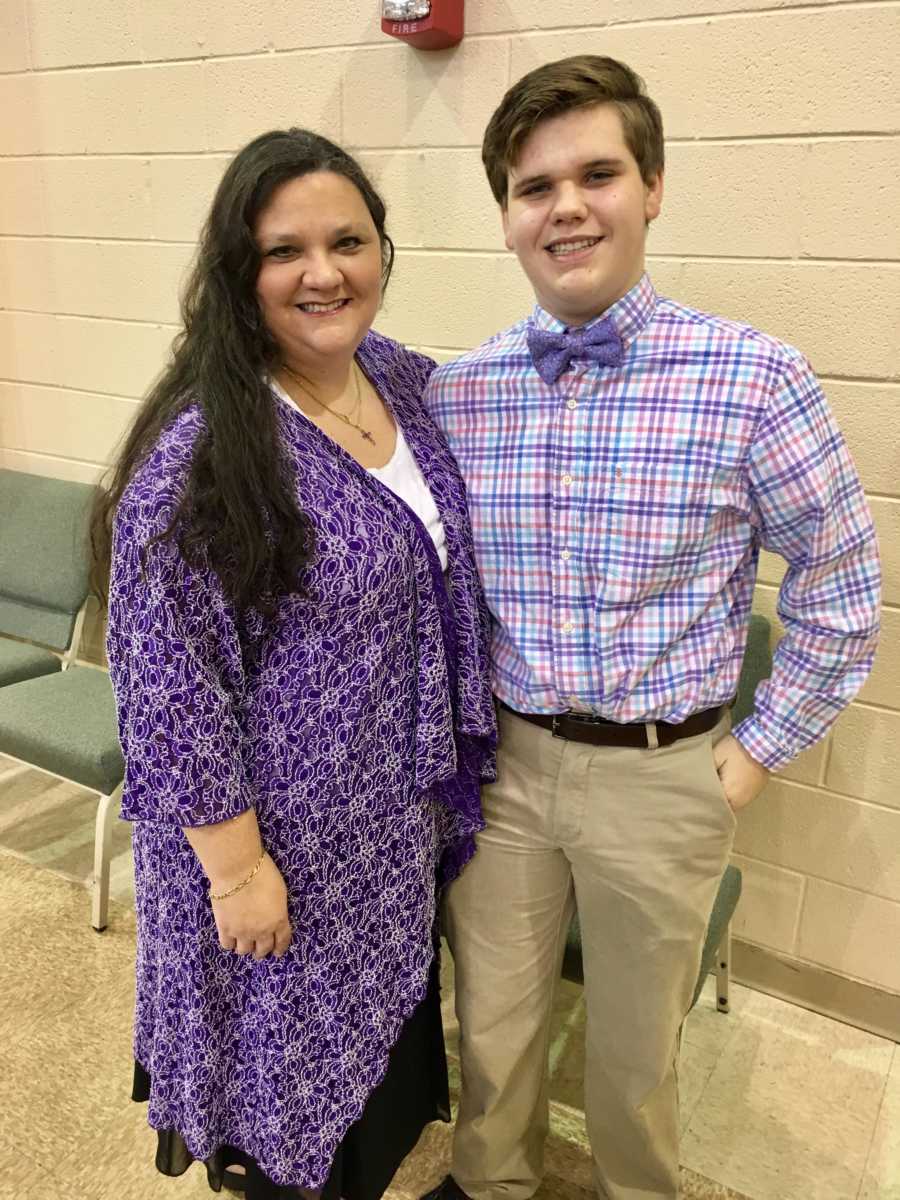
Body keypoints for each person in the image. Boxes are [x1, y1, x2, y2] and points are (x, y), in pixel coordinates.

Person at [420, 55, 881, 1200]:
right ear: (509, 217)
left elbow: (841, 577)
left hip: (664, 774)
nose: (566, 206)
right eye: (535, 187)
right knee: (492, 1026)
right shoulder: (459, 394)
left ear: (653, 186)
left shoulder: (753, 380)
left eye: (598, 174)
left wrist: (753, 755)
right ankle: (493, 1188)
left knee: (634, 1059)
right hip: (507, 767)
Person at [91, 127, 496, 1200]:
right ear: (240, 273)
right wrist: (237, 873)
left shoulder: (401, 385)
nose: (325, 273)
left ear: (383, 253)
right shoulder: (205, 456)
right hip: (273, 869)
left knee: (367, 1124)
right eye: (285, 251)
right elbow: (169, 695)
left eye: (349, 240)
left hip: (382, 854)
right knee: (282, 1133)